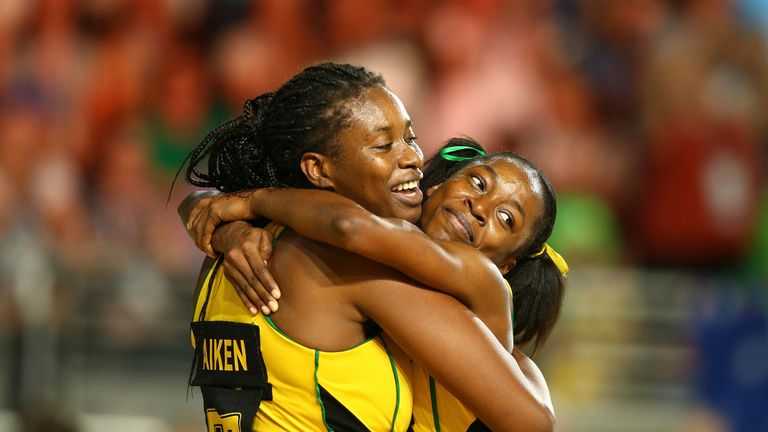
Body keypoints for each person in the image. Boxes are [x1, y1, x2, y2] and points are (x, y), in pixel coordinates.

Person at [180, 62, 555, 431]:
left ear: (509, 264)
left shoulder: (226, 246)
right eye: (384, 145)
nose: (413, 159)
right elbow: (348, 225)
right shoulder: (355, 269)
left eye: (410, 138)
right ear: (320, 169)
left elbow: (349, 225)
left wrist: (238, 208)